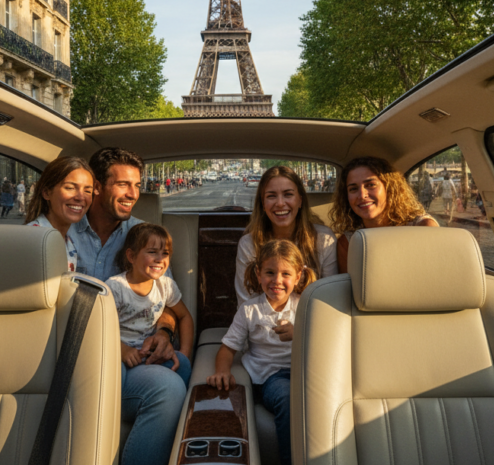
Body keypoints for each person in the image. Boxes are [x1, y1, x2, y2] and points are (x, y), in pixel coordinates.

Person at [70, 147, 182, 465]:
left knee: (172, 386)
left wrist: (163, 331)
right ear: (96, 185)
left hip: (129, 354)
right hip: (78, 353)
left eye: (136, 185)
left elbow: (168, 303)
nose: (132, 193)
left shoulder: (145, 237)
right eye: (122, 184)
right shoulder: (63, 233)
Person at [209, 240, 315, 465]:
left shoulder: (306, 306)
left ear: (298, 277)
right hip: (270, 378)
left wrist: (300, 333)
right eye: (270, 272)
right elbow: (227, 348)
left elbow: (323, 343)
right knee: (287, 398)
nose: (277, 280)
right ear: (258, 274)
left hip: (305, 373)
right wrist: (222, 371)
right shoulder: (249, 310)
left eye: (286, 274)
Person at [234, 166, 337, 304]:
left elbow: (331, 298)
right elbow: (246, 302)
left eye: (288, 194)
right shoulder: (248, 244)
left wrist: (297, 325)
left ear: (300, 200)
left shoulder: (324, 239)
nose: (280, 203)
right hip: (259, 324)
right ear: (263, 204)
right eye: (271, 196)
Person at [110, 223, 194, 387]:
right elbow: (98, 329)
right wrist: (122, 350)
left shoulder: (166, 286)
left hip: (151, 356)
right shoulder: (116, 288)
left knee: (182, 365)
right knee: (113, 373)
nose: (160, 259)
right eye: (152, 252)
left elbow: (184, 316)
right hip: (118, 354)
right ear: (131, 256)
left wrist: (184, 354)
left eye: (165, 253)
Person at [330, 156, 439, 274]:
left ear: (390, 188)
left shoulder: (422, 227)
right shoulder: (347, 243)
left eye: (370, 185)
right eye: (353, 189)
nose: (362, 195)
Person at [25, 156, 93, 272]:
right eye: (70, 188)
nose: (81, 197)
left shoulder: (67, 242)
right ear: (46, 193)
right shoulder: (32, 240)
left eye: (87, 191)